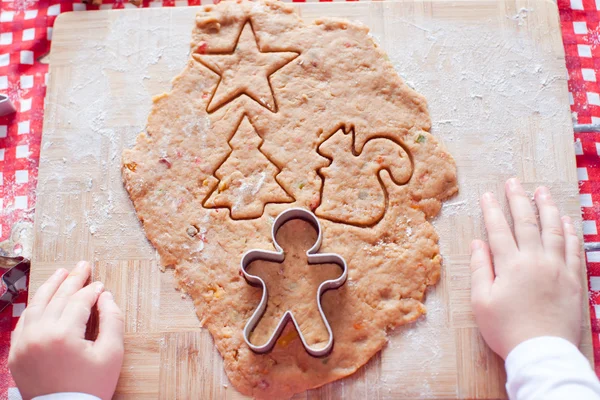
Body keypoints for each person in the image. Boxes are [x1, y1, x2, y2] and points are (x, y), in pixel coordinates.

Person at [7, 178, 600, 399]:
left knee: (306, 327)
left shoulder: (316, 269)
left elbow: (322, 275)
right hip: (281, 306)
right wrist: (543, 347)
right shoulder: (269, 267)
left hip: (305, 307)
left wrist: (65, 398)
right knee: (272, 326)